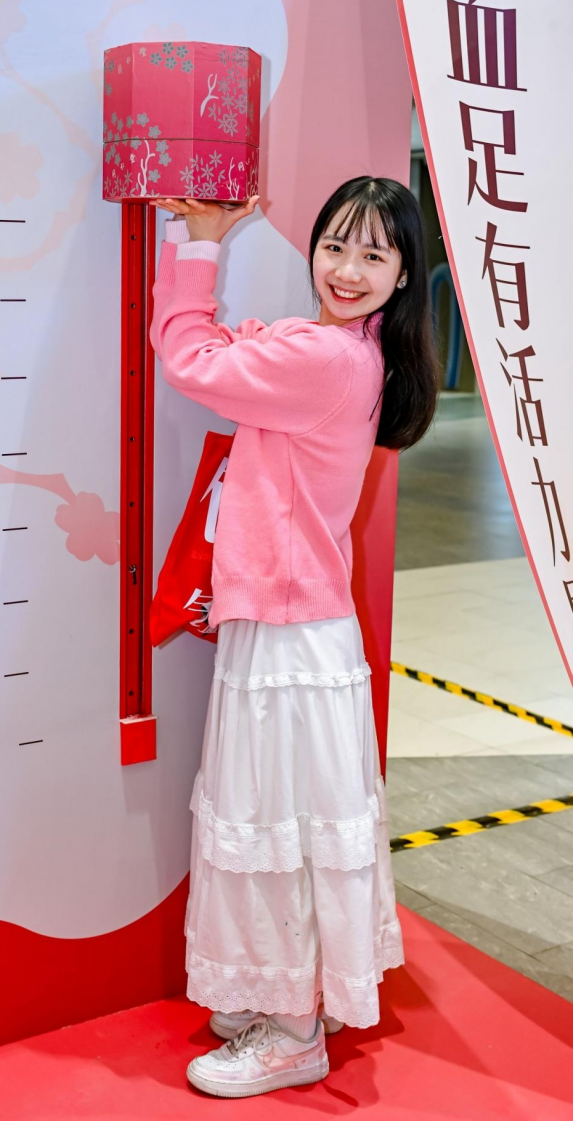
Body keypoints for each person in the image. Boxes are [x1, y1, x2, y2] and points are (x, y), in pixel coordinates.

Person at [148, 176, 439, 1099]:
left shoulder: (323, 358)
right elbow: (238, 350)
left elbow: (189, 358)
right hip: (297, 624)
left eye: (374, 255)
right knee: (286, 828)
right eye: (336, 246)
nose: (347, 269)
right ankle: (285, 996)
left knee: (274, 827)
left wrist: (200, 242)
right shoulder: (344, 350)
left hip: (289, 633)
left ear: (403, 275)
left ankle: (293, 1033)